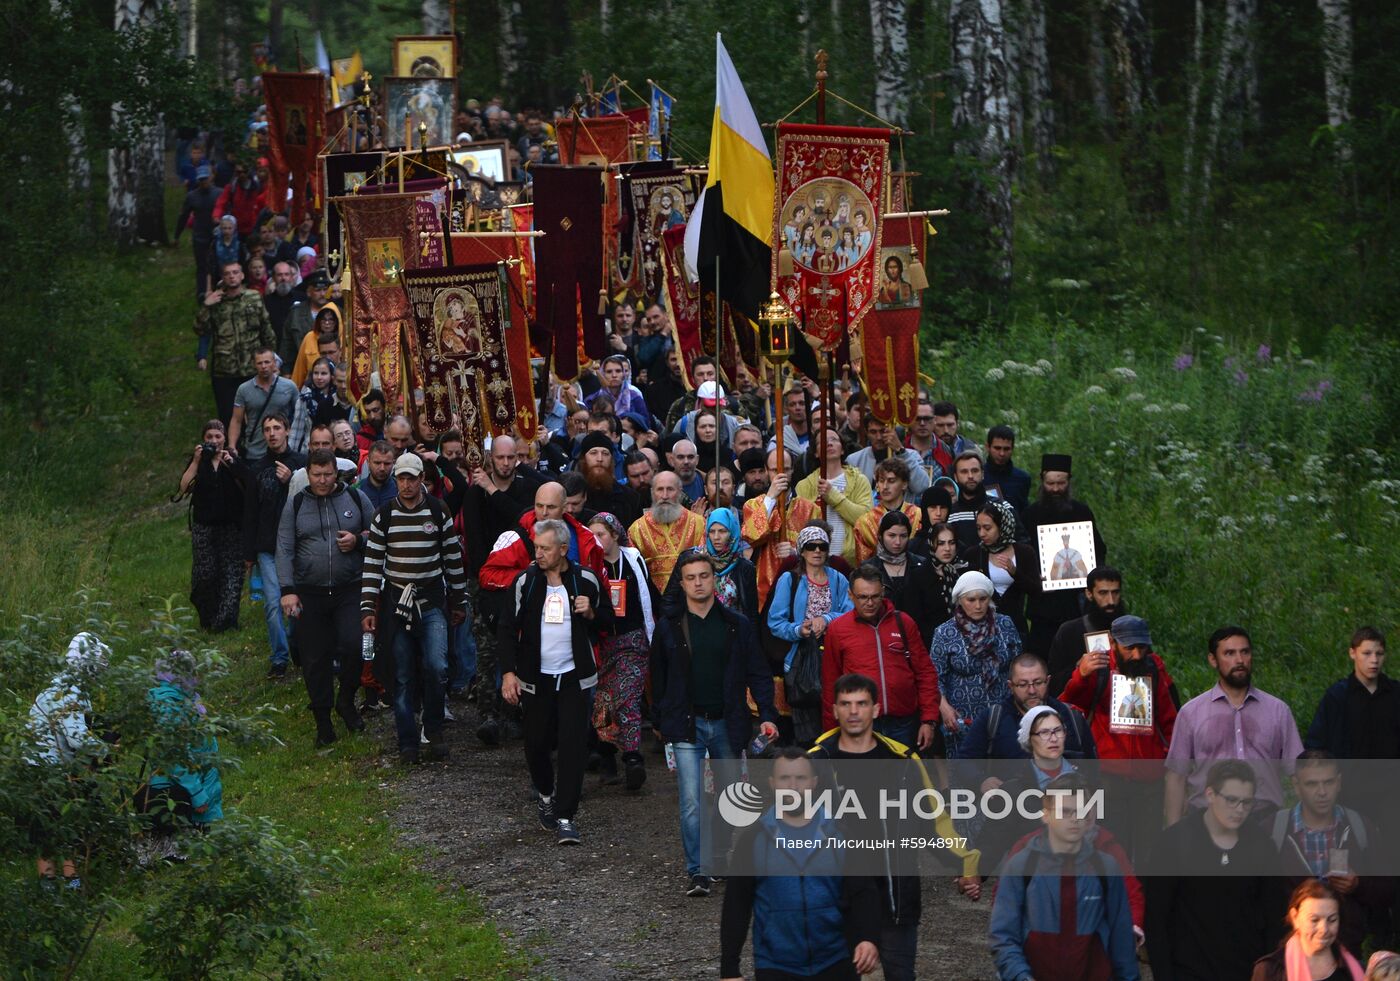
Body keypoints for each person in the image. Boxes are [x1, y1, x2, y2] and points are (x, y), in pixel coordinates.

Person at [808, 675, 983, 978]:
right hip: (837, 903)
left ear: (876, 709)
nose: (853, 711)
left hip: (896, 899)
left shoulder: (904, 761)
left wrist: (964, 863)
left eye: (861, 704)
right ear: (834, 710)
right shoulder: (815, 764)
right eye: (845, 704)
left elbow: (934, 823)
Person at [651, 550, 779, 896]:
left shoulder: (737, 624)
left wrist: (767, 713)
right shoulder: (669, 627)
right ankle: (698, 870)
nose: (697, 583)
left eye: (704, 576)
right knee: (691, 800)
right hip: (687, 723)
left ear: (714, 579)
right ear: (681, 583)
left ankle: (720, 855)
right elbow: (657, 676)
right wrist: (660, 718)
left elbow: (758, 671)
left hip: (727, 721)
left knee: (729, 797)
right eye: (690, 577)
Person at [498, 518, 613, 845]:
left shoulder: (586, 580)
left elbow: (609, 620)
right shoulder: (525, 582)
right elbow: (506, 629)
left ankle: (565, 817)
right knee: (536, 745)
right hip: (536, 679)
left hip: (576, 678)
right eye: (537, 547)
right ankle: (546, 795)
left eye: (545, 548)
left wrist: (591, 613)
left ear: (563, 549)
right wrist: (509, 673)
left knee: (573, 747)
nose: (539, 554)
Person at [720, 748, 882, 981]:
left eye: (801, 778)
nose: (793, 787)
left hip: (836, 961)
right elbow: (737, 904)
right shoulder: (754, 839)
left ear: (814, 783)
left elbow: (864, 891)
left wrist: (869, 938)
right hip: (775, 966)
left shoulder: (840, 834)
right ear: (772, 783)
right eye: (785, 778)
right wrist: (729, 969)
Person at [360, 452, 468, 764]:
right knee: (403, 673)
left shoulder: (437, 511)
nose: (406, 484)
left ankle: (433, 727)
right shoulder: (384, 515)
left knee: (437, 665)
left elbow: (452, 559)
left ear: (422, 480)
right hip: (397, 601)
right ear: (396, 480)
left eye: (412, 478)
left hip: (432, 598)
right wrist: (368, 608)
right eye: (401, 478)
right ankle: (407, 739)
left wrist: (458, 600)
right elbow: (372, 565)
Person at [988, 772, 1140, 981]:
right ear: (1046, 815)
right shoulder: (1022, 865)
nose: (1074, 819)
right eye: (1065, 812)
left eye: (1080, 811)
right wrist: (1021, 977)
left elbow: (1121, 942)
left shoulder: (1106, 867)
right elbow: (1003, 935)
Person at [276, 449, 374, 747]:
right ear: (307, 473)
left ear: (337, 473)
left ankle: (345, 700)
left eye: (327, 474)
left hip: (349, 588)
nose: (322, 480)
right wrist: (287, 590)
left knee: (356, 646)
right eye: (316, 475)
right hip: (310, 592)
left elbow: (378, 535)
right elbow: (284, 547)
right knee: (314, 659)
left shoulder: (355, 499)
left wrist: (358, 540)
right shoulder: (296, 503)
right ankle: (323, 722)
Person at [1060, 614, 1178, 860]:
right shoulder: (1097, 667)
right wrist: (1081, 675)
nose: (1136, 655)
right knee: (1112, 850)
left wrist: (1167, 758)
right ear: (1113, 643)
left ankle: (1144, 898)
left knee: (1149, 855)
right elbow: (1067, 704)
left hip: (1149, 780)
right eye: (1129, 648)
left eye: (1141, 647)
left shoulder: (1154, 667)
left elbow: (1169, 719)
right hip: (1108, 778)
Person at [1145, 760, 1276, 981]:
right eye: (1232, 800)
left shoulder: (1262, 845)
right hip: (1188, 971)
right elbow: (1157, 920)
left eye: (1247, 802)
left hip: (1246, 970)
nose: (1239, 810)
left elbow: (1273, 915)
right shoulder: (1174, 843)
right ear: (1210, 794)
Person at [1165, 625, 1304, 826]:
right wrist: (1173, 835)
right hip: (1207, 821)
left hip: (1264, 820)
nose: (1239, 660)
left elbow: (1297, 774)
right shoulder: (1191, 713)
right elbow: (1176, 777)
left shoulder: (1278, 711)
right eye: (1229, 653)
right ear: (1213, 660)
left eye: (1245, 652)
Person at [1266, 751, 1393, 959]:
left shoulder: (1360, 828)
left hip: (1346, 956)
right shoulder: (1274, 830)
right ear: (1296, 786)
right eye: (1312, 784)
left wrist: (1358, 885)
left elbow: (1388, 890)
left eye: (1328, 782)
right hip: (1288, 956)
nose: (1322, 792)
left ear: (1339, 782)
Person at [818, 564, 938, 750]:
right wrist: (832, 733)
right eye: (863, 597)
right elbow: (830, 683)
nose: (870, 603)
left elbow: (925, 673)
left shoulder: (904, 623)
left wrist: (928, 720)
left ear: (883, 592)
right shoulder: (838, 629)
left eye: (875, 596)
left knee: (902, 778)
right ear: (850, 595)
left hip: (903, 722)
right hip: (858, 722)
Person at [28, 633, 114, 887]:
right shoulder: (69, 692)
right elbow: (76, 737)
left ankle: (53, 884)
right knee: (62, 822)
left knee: (48, 825)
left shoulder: (63, 686)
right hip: (47, 769)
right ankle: (66, 882)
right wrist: (105, 749)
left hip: (38, 766)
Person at [587, 513, 657, 790]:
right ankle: (607, 757)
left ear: (615, 535)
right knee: (602, 702)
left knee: (627, 697)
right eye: (591, 535)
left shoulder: (634, 560)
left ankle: (632, 757)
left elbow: (647, 596)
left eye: (601, 534)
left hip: (632, 640)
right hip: (602, 643)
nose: (596, 540)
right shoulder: (589, 565)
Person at [769, 524, 854, 745]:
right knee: (805, 728)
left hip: (834, 657)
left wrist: (826, 620)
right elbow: (775, 621)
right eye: (811, 546)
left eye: (822, 546)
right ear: (802, 551)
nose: (817, 551)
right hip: (801, 658)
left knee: (836, 720)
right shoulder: (790, 579)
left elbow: (850, 613)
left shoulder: (838, 579)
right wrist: (799, 630)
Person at [1305, 626, 1400, 821]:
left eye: (1379, 653)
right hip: (1348, 794)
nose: (1374, 660)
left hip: (1392, 794)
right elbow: (1317, 744)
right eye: (1366, 653)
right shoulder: (1337, 696)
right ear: (1352, 653)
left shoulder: (1396, 695)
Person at [1021, 454, 1108, 658]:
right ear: (1043, 481)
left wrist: (1090, 574)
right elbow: (1022, 555)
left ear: (1069, 481)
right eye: (1051, 483)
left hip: (1077, 603)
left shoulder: (1081, 512)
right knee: (1043, 657)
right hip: (1043, 604)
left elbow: (1098, 550)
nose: (1056, 489)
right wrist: (1034, 575)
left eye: (1061, 483)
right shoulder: (1030, 515)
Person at [930, 571, 1023, 756]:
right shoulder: (945, 632)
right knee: (968, 771)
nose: (978, 605)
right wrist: (945, 708)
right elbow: (935, 676)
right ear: (960, 600)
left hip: (1003, 708)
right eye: (971, 600)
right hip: (962, 714)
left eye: (983, 598)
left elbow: (1018, 666)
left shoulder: (1004, 624)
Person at [138, 649, 223, 849]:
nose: (193, 675)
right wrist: (198, 795)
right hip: (181, 798)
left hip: (195, 792)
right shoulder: (168, 705)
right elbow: (176, 758)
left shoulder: (185, 698)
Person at [242, 412, 305, 679]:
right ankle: (279, 659)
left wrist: (289, 480)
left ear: (287, 431)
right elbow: (249, 512)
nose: (272, 433)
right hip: (267, 546)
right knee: (272, 603)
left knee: (296, 603)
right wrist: (248, 553)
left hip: (297, 546)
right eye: (267, 429)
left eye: (277, 427)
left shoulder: (301, 464)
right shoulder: (256, 469)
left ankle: (297, 647)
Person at [954, 652, 1096, 771]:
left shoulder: (1071, 716)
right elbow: (965, 762)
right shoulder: (993, 718)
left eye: (1038, 683)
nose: (1032, 691)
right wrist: (982, 781)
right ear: (1010, 686)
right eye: (1022, 684)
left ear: (1048, 681)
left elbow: (1092, 767)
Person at [178, 419, 245, 633]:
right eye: (209, 437)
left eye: (218, 437)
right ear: (203, 440)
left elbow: (247, 485)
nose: (214, 441)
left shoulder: (232, 459)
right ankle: (208, 616)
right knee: (205, 574)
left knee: (231, 574)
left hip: (231, 526)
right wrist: (197, 461)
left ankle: (226, 623)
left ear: (225, 438)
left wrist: (232, 464)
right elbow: (184, 488)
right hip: (204, 526)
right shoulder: (200, 461)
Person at [196, 259, 276, 424]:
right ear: (223, 278)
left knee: (258, 415)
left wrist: (272, 359)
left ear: (242, 275)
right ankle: (231, 448)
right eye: (227, 274)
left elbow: (266, 329)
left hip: (252, 367)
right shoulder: (215, 302)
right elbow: (199, 329)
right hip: (225, 370)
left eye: (235, 273)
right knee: (228, 416)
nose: (232, 277)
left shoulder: (254, 297)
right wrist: (206, 305)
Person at [741, 448, 819, 607]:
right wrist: (770, 498)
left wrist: (796, 553)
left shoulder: (810, 509)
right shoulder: (753, 505)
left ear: (793, 470)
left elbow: (821, 548)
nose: (781, 475)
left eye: (786, 469)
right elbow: (751, 536)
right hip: (765, 587)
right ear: (766, 471)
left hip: (802, 586)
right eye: (775, 470)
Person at [1251, 880, 1367, 981]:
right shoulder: (1270, 971)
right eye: (1314, 920)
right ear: (1295, 918)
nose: (1324, 929)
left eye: (1332, 920)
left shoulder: (1353, 970)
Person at [862, 511, 946, 644]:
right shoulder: (867, 569)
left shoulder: (923, 565)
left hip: (918, 638)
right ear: (880, 536)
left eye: (903, 536)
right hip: (879, 638)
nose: (898, 542)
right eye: (892, 535)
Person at [795, 429, 873, 567]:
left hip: (849, 561)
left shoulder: (859, 480)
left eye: (834, 440)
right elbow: (800, 526)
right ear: (816, 452)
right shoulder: (804, 486)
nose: (829, 444)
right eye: (822, 442)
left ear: (842, 450)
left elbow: (865, 521)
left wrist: (833, 496)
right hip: (815, 560)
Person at [963, 500, 1039, 639]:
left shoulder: (1025, 552)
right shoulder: (974, 554)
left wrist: (1015, 573)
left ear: (1002, 526)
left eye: (987, 528)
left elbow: (1035, 590)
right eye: (978, 528)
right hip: (981, 629)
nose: (982, 534)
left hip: (1016, 627)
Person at [1046, 567, 1126, 698]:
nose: (1111, 601)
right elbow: (1053, 683)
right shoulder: (1069, 631)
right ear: (1089, 594)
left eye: (1115, 593)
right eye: (1103, 593)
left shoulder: (1130, 629)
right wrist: (1078, 667)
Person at [628, 470, 706, 593]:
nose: (665, 496)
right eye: (660, 489)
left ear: (680, 492)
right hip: (654, 603)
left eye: (670, 489)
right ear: (652, 493)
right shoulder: (636, 529)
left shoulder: (699, 524)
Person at [851, 457, 923, 565]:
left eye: (891, 481)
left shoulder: (919, 515)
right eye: (881, 481)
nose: (885, 487)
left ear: (904, 484)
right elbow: (863, 565)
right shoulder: (864, 523)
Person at [845, 414, 931, 500]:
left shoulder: (912, 456)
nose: (878, 437)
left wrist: (900, 451)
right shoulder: (854, 460)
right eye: (873, 432)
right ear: (866, 432)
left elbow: (921, 486)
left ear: (893, 431)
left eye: (883, 431)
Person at [174, 163, 221, 300]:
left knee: (217, 264)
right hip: (200, 237)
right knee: (202, 266)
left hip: (216, 235)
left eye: (205, 179)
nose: (203, 182)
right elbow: (183, 216)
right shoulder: (192, 196)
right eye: (201, 179)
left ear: (210, 178)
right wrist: (177, 235)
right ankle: (201, 294)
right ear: (198, 180)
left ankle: (218, 290)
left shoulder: (219, 193)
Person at [576, 430, 641, 527]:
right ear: (584, 459)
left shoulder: (630, 498)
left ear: (612, 460)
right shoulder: (574, 497)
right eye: (593, 453)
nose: (600, 459)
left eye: (605, 453)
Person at [983, 425, 1032, 510]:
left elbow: (1024, 512)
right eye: (997, 448)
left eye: (1006, 449)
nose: (1002, 453)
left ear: (1012, 449)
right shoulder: (978, 477)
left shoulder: (1022, 479)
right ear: (988, 447)